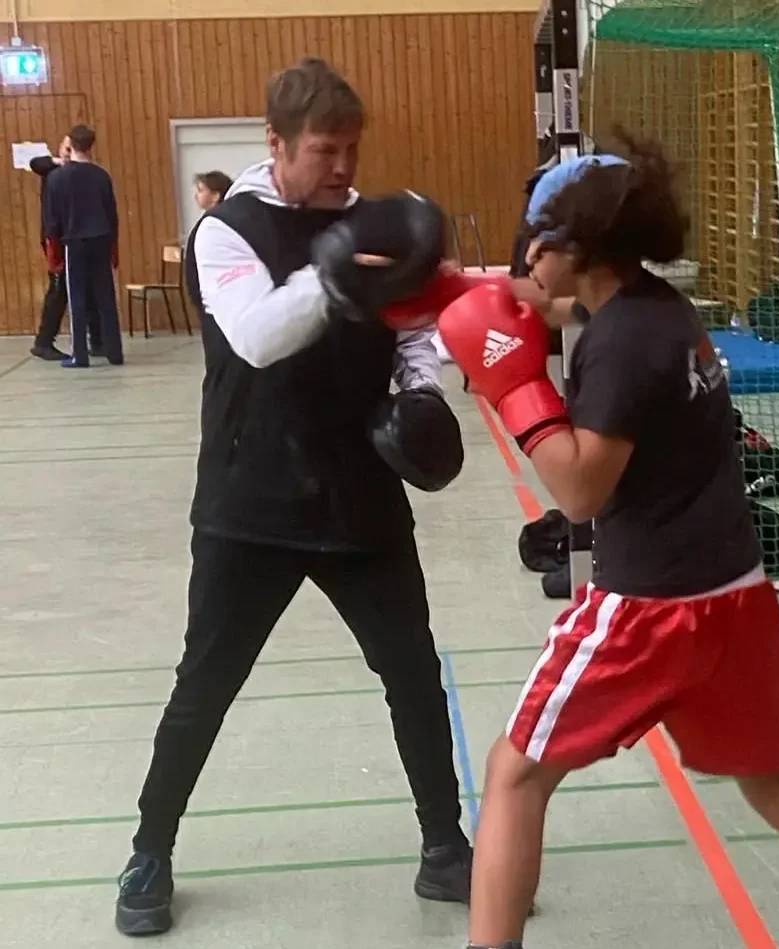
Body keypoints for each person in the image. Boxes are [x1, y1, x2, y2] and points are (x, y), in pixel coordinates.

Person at [435, 136, 779, 949]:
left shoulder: (619, 349)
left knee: (516, 772)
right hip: (736, 598)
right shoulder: (659, 308)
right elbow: (538, 298)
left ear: (576, 248)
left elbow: (580, 490)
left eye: (536, 239)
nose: (525, 254)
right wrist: (430, 286)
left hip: (650, 612)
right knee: (774, 782)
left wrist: (511, 384)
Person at [112, 57, 472, 937]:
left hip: (360, 494)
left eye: (352, 148)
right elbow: (263, 336)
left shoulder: (374, 223)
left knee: (414, 675)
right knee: (206, 683)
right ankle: (150, 849)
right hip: (251, 498)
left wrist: (424, 391)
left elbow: (417, 328)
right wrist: (340, 267)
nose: (344, 166)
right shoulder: (224, 231)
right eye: (325, 149)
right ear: (275, 144)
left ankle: (444, 845)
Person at [43, 124, 123, 368]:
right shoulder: (101, 175)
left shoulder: (57, 177)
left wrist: (52, 246)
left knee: (77, 297)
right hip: (101, 238)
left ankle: (80, 354)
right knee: (106, 297)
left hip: (74, 241)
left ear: (70, 146)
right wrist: (113, 244)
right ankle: (114, 353)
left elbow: (51, 217)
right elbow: (112, 213)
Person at [29, 135, 104, 360]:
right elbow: (36, 163)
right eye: (64, 146)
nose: (67, 150)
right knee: (59, 288)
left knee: (89, 288)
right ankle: (43, 341)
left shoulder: (82, 173)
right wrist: (58, 161)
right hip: (58, 240)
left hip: (80, 238)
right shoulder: (53, 170)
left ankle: (97, 340)